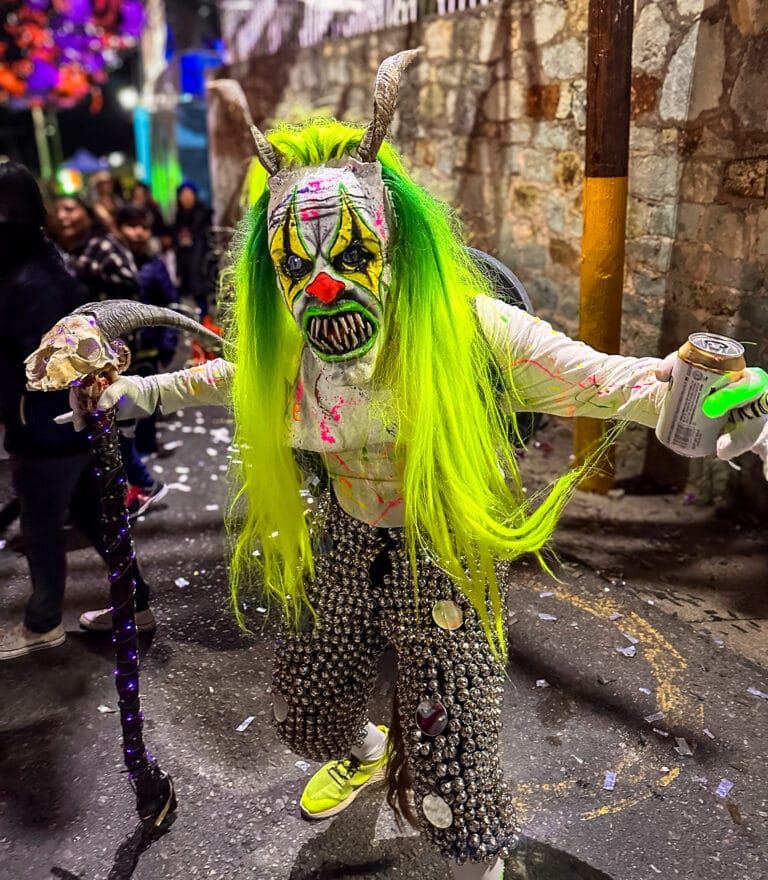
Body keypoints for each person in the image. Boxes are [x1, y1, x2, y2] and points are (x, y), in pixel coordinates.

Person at [78, 53, 768, 878]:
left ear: (392, 241)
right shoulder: (289, 349)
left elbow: (607, 379)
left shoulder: (472, 329)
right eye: (298, 266)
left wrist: (701, 396)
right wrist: (131, 396)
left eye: (349, 254)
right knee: (309, 710)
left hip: (441, 548)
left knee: (454, 762)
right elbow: (226, 378)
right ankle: (365, 750)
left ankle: (477, 858)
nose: (325, 289)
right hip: (343, 534)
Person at [0, 163, 155, 660]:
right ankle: (136, 604)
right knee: (97, 518)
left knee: (42, 528)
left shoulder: (29, 276)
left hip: (46, 427)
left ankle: (43, 623)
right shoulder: (48, 260)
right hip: (71, 422)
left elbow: (35, 362)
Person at [53, 190, 167, 520]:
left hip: (108, 353)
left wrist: (84, 276)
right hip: (85, 354)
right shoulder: (75, 250)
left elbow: (129, 287)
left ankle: (143, 484)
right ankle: (120, 491)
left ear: (87, 213)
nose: (64, 216)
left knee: (110, 422)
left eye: (71, 208)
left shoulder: (100, 247)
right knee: (100, 424)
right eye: (58, 210)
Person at [115, 204, 178, 458]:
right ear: (119, 230)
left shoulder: (154, 265)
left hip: (147, 348)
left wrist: (169, 342)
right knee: (120, 402)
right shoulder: (112, 266)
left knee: (146, 399)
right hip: (117, 351)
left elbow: (170, 305)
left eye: (144, 227)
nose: (139, 233)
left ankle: (145, 448)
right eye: (132, 226)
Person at [172, 180, 211, 317]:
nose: (186, 198)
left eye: (189, 194)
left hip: (199, 262)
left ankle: (205, 321)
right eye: (183, 195)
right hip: (184, 263)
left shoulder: (203, 214)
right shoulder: (179, 216)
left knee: (201, 294)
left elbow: (204, 242)